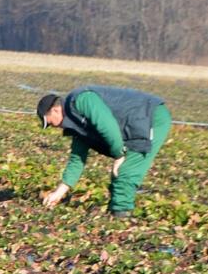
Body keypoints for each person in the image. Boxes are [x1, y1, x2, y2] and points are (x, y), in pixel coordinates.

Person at [35, 86, 171, 217]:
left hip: (150, 117)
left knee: (125, 172)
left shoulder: (82, 99)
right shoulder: (75, 124)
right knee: (120, 175)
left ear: (55, 110)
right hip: (132, 125)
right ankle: (116, 212)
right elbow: (77, 160)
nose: (55, 127)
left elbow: (107, 126)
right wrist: (59, 192)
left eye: (51, 123)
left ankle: (121, 220)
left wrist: (119, 155)